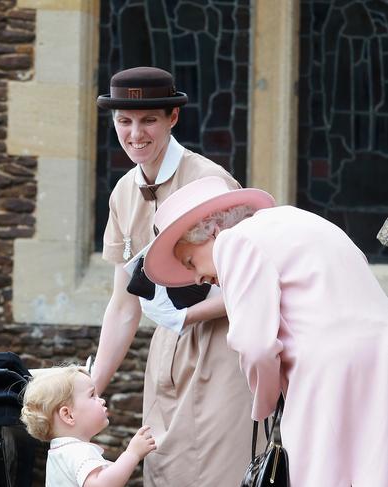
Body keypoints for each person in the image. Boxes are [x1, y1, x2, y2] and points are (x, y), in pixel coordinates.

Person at [144, 176, 388, 487]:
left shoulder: (234, 242)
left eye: (190, 262)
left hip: (325, 375)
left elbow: (255, 345)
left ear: (213, 230)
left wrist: (265, 403)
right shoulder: (301, 219)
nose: (198, 278)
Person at [92, 66, 259, 485]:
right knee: (165, 473)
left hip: (224, 352)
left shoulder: (210, 182)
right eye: (124, 121)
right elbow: (123, 305)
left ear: (172, 118)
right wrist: (91, 387)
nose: (135, 134)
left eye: (148, 119)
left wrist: (187, 316)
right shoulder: (123, 192)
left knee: (219, 474)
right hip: (165, 357)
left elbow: (252, 285)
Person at [20, 364, 156, 487]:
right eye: (92, 395)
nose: (102, 400)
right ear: (68, 415)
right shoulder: (79, 451)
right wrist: (132, 454)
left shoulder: (59, 452)